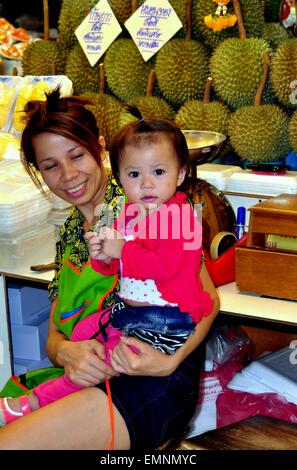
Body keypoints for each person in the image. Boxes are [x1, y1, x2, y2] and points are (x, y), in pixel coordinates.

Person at [0, 89, 220, 450]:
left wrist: (168, 361)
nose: (68, 175)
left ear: (99, 148)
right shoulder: (71, 230)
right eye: (51, 165)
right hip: (99, 367)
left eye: (76, 155)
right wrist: (65, 352)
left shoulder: (143, 201)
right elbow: (57, 328)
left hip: (154, 373)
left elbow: (209, 300)